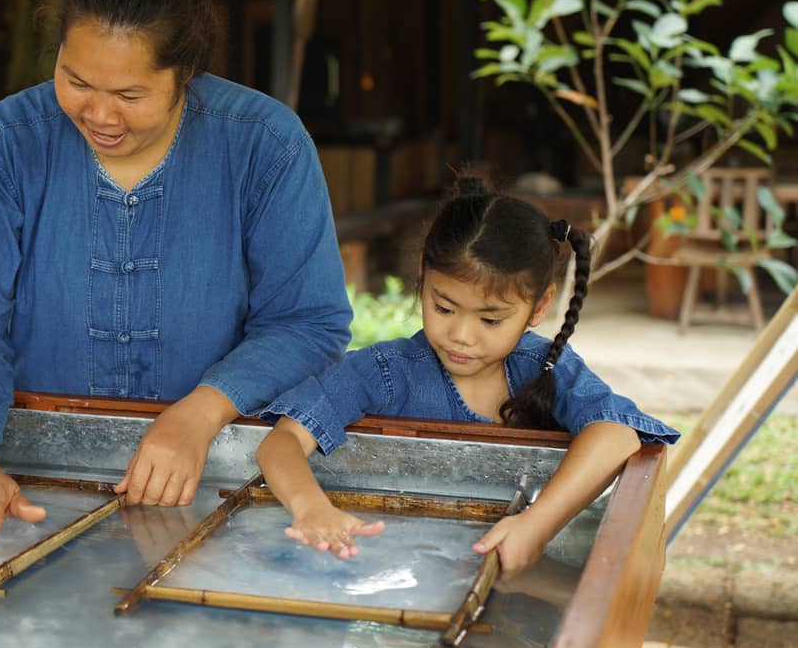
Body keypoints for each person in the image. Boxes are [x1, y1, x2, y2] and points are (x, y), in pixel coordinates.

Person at [0, 0, 353, 543]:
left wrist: (199, 415)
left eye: (130, 94)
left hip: (222, 485)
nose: (99, 114)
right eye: (77, 80)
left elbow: (308, 321)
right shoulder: (5, 144)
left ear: (187, 71)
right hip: (28, 487)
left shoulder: (265, 145)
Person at [254, 177, 678, 569]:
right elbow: (283, 440)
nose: (460, 335)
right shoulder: (385, 372)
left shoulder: (543, 365)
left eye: (490, 320)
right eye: (443, 307)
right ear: (423, 276)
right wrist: (310, 506)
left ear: (540, 306)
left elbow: (617, 434)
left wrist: (536, 525)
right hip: (403, 563)